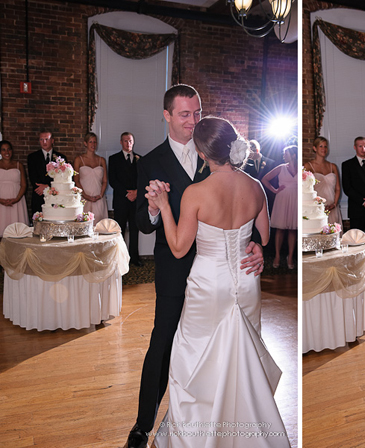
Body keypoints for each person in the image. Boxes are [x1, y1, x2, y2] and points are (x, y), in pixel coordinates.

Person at [124, 85, 264, 448]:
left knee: (223, 348)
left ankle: (210, 422)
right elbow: (141, 221)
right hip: (175, 270)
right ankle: (143, 425)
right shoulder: (150, 161)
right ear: (167, 116)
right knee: (164, 345)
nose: (192, 121)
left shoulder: (214, 151)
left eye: (197, 112)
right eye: (185, 114)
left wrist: (256, 244)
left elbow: (244, 217)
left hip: (219, 274)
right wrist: (155, 206)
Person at [147, 117, 290, 448]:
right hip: (247, 278)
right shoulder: (255, 185)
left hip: (208, 283)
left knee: (195, 356)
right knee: (241, 357)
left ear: (200, 152)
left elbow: (180, 248)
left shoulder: (196, 192)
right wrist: (252, 244)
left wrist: (165, 207)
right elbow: (264, 236)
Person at [262, 145, 298, 270]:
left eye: (286, 153)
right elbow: (265, 179)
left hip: (296, 200)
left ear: (293, 155)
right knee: (280, 229)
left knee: (293, 229)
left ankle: (290, 256)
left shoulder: (301, 169)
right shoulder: (281, 168)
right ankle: (277, 256)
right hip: (282, 199)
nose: (284, 155)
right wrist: (275, 190)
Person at [109, 132, 142, 267]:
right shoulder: (114, 159)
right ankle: (119, 258)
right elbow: (113, 180)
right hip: (121, 201)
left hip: (135, 201)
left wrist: (136, 192)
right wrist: (126, 193)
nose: (128, 144)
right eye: (125, 141)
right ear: (121, 142)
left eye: (130, 141)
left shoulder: (140, 159)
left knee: (134, 230)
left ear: (133, 142)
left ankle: (134, 257)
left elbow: (142, 179)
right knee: (120, 230)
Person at [303, 136, 343, 226]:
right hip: (317, 209)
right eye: (321, 146)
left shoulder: (333, 166)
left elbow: (337, 189)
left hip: (332, 208)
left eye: (325, 146)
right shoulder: (308, 166)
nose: (324, 149)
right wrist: (316, 205)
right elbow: (305, 189)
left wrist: (334, 204)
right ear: (315, 148)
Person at [27, 130, 67, 215]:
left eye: (46, 139)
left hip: (56, 196)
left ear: (52, 140)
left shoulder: (61, 158)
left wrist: (48, 186)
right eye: (41, 139)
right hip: (39, 195)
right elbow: (32, 177)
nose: (44, 142)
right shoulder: (32, 157)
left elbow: (63, 178)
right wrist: (42, 188)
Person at [73, 132, 108, 221]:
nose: (93, 144)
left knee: (99, 226)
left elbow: (104, 181)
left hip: (99, 198)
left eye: (95, 142)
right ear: (85, 143)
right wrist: (85, 195)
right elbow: (76, 181)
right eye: (90, 142)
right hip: (84, 198)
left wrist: (100, 195)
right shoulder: (78, 160)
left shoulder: (101, 160)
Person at [0, 140, 28, 236]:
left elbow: (24, 184)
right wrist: (0, 200)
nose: (6, 152)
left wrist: (17, 199)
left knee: (17, 232)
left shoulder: (18, 165)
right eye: (3, 150)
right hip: (1, 201)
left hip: (16, 200)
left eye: (8, 149)